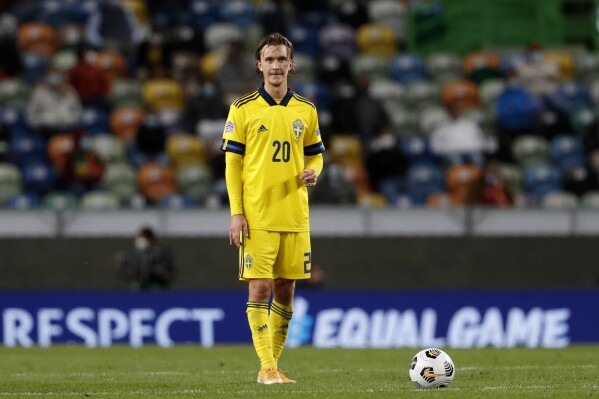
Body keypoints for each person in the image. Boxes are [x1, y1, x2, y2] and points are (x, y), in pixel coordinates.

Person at [221, 32, 325, 385]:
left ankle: (273, 368)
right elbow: (232, 165)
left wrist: (315, 170)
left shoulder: (306, 110)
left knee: (286, 290)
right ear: (259, 65)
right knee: (259, 288)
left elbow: (316, 152)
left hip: (295, 215)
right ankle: (266, 367)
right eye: (270, 59)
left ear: (291, 65)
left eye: (282, 59)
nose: (276, 65)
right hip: (258, 215)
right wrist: (237, 212)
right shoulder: (243, 108)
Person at [116, 227, 175, 291]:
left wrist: (148, 265)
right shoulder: (137, 255)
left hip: (158, 287)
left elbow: (165, 273)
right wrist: (125, 262)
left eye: (142, 238)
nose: (139, 241)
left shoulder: (162, 253)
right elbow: (129, 274)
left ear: (151, 239)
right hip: (141, 287)